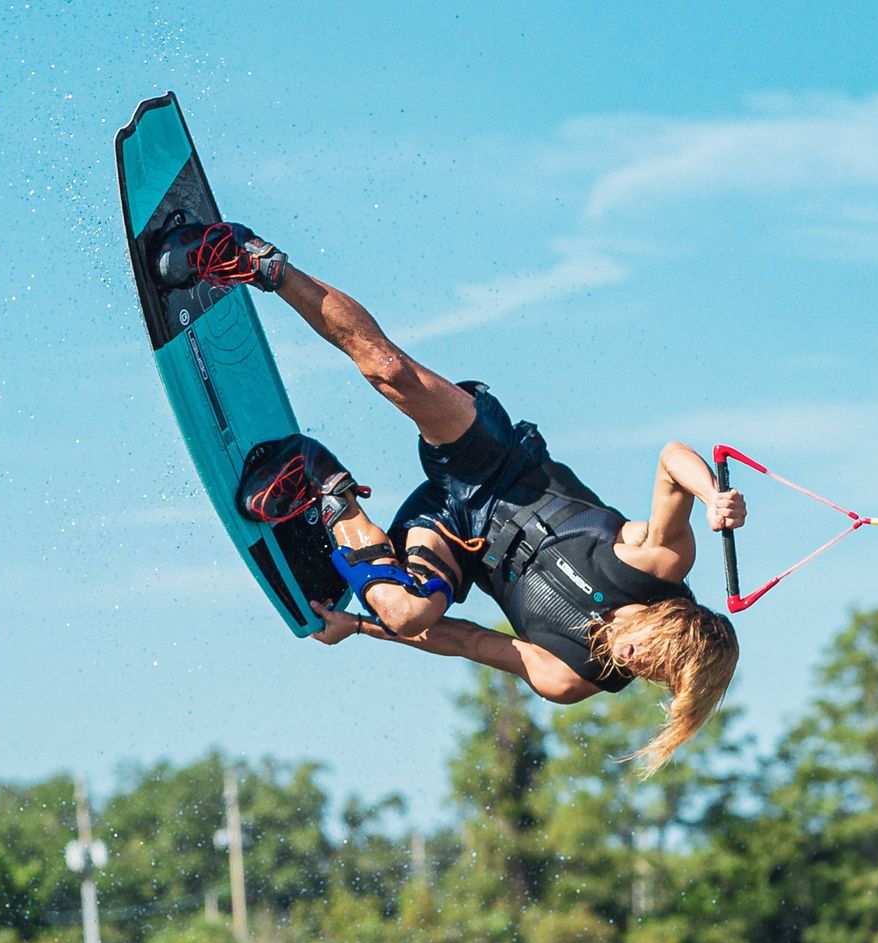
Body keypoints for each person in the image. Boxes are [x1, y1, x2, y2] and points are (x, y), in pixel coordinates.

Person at [157, 222, 747, 771]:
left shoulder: (570, 677)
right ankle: (254, 260)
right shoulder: (661, 563)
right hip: (496, 460)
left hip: (447, 533)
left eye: (655, 678)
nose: (639, 666)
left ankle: (322, 483)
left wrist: (356, 627)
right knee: (390, 370)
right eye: (654, 655)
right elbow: (673, 460)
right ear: (670, 618)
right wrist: (712, 493)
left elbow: (462, 639)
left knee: (408, 611)